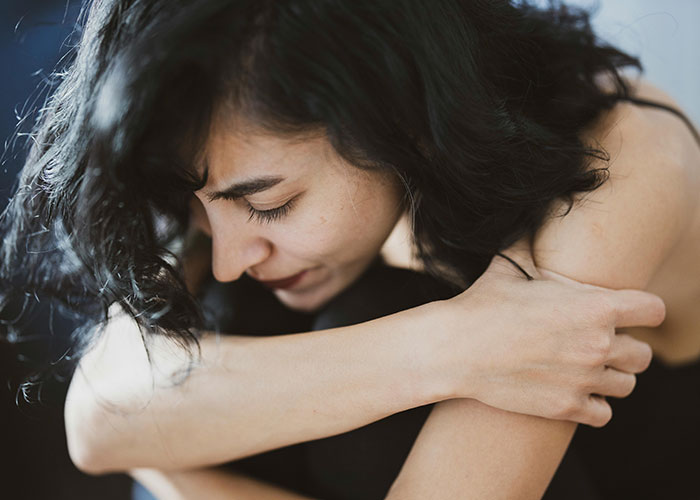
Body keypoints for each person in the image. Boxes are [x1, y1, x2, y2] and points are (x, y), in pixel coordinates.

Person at [1, 0, 697, 498]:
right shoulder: (220, 148)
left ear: (399, 113)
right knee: (233, 316)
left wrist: (178, 468)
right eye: (194, 210)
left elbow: (121, 433)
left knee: (340, 327)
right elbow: (97, 415)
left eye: (271, 204)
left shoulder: (625, 161)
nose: (227, 254)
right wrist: (454, 346)